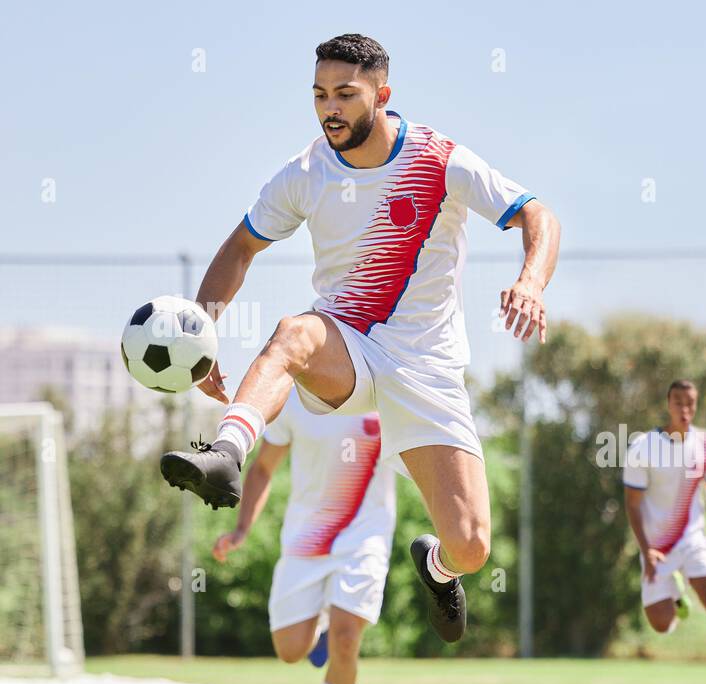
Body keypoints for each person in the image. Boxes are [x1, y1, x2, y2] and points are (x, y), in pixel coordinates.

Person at [162, 33, 560, 646]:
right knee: (293, 333)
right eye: (320, 95)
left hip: (427, 368)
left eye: (346, 94)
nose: (331, 108)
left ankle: (436, 567)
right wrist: (200, 331)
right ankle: (225, 453)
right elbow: (241, 247)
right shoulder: (305, 172)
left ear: (383, 94)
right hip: (345, 345)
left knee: (472, 545)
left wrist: (531, 282)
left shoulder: (441, 160)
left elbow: (538, 214)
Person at [212, 387, 395, 684]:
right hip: (305, 539)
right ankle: (323, 625)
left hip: (366, 536)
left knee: (348, 640)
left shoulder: (385, 390)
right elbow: (263, 468)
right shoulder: (294, 397)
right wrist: (242, 530)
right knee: (291, 650)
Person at [623, 380, 706, 684]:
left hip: (693, 540)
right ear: (668, 404)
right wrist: (646, 549)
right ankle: (677, 598)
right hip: (656, 548)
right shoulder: (644, 447)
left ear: (696, 405)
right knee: (662, 625)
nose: (685, 409)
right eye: (678, 402)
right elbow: (632, 504)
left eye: (691, 403)